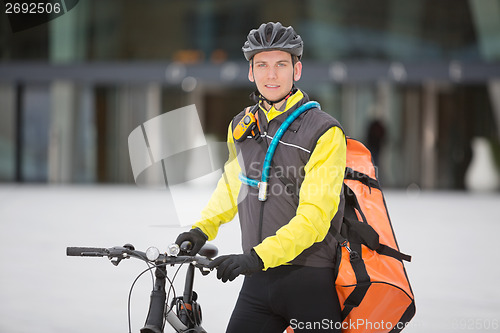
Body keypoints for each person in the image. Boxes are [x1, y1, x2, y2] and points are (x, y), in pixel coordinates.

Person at [176, 22, 346, 332]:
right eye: (262, 65)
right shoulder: (242, 125)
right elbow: (233, 184)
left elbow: (316, 217)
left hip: (308, 280)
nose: (271, 74)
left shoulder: (324, 131)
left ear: (297, 70)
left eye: (281, 64)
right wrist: (203, 228)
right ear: (250, 72)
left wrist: (256, 257)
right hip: (258, 281)